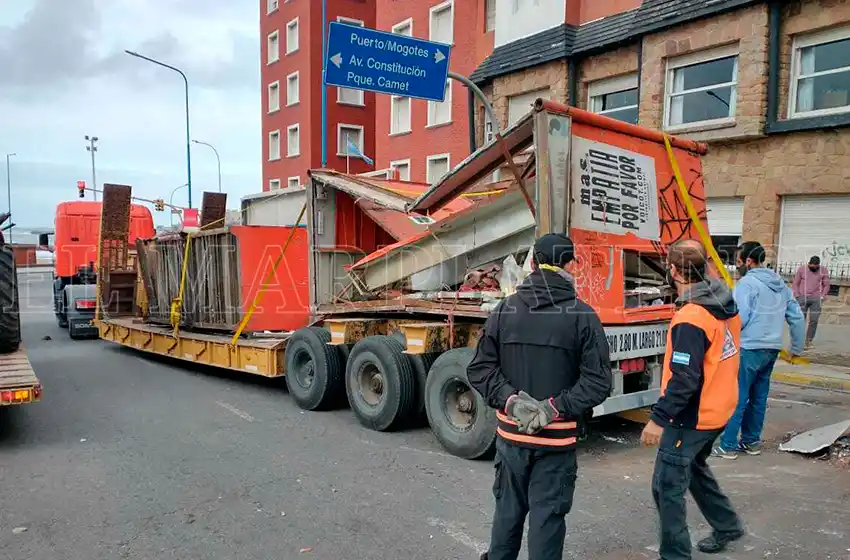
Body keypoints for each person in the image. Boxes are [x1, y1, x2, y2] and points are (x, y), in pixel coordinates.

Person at [468, 233, 613, 560]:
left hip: (511, 439)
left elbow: (479, 369)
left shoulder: (505, 310)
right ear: (571, 265)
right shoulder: (583, 317)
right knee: (547, 522)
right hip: (556, 445)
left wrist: (511, 402)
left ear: (532, 264)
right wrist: (553, 409)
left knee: (506, 517)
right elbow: (599, 383)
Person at [640, 239, 744, 559]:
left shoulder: (691, 317)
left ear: (673, 271)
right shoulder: (724, 300)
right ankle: (727, 525)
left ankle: (675, 555)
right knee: (694, 467)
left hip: (693, 417)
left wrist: (658, 420)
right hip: (721, 406)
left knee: (666, 487)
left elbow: (685, 380)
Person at [714, 241, 805, 459]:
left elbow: (739, 319)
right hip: (771, 350)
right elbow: (797, 317)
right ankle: (751, 442)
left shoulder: (747, 284)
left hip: (748, 348)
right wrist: (796, 349)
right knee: (758, 398)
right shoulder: (781, 285)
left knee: (738, 397)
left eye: (738, 262)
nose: (737, 267)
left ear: (748, 261)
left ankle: (727, 446)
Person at [792, 256, 830, 348]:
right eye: (811, 266)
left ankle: (809, 341)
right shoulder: (802, 269)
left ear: (818, 265)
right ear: (809, 263)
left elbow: (826, 284)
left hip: (816, 299)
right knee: (800, 320)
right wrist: (797, 296)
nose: (813, 268)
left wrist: (822, 296)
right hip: (802, 298)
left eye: (815, 266)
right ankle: (798, 341)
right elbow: (796, 283)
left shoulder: (823, 270)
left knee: (814, 320)